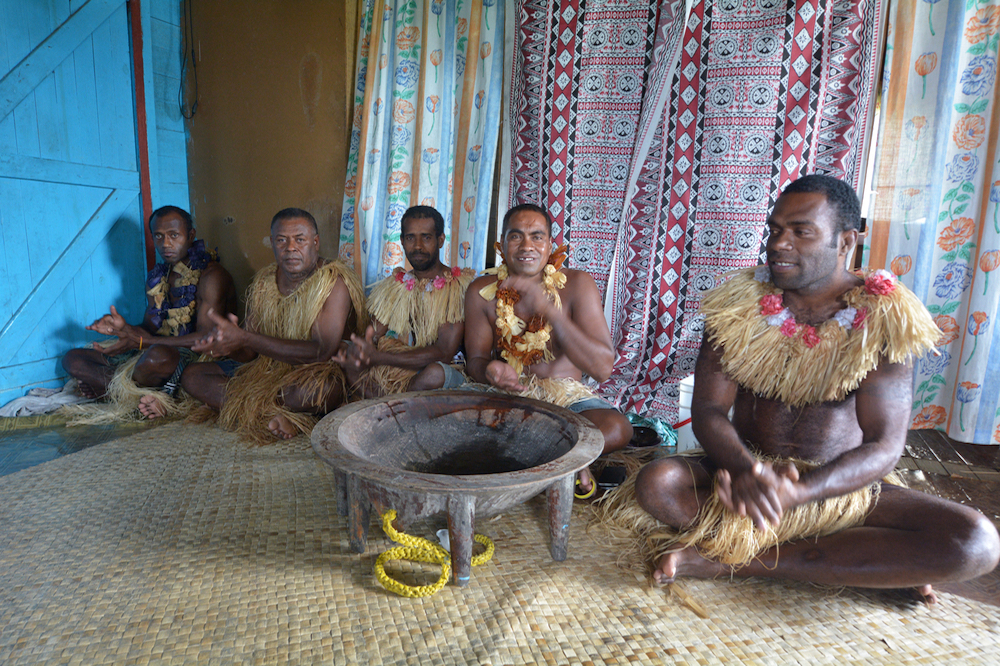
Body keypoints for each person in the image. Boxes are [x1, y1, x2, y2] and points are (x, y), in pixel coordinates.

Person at [613, 174, 1000, 604]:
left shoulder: (883, 319)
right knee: (658, 483)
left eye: (801, 232)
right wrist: (747, 471)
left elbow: (884, 446)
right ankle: (861, 562)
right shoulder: (736, 306)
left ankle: (727, 561)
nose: (779, 243)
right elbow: (707, 408)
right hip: (748, 476)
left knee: (976, 542)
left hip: (840, 488)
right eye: (776, 229)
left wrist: (802, 493)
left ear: (846, 241)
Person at [464, 203, 633, 495]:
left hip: (568, 401)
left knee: (618, 428)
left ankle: (545, 454)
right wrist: (490, 371)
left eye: (537, 236)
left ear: (550, 244)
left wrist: (550, 311)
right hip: (510, 398)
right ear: (501, 245)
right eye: (516, 236)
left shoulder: (577, 284)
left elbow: (602, 368)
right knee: (458, 423)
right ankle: (568, 456)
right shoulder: (481, 290)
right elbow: (476, 362)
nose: (526, 246)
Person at [181, 208, 366, 443]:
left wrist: (245, 338)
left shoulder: (333, 281)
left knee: (321, 390)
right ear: (272, 244)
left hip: (314, 373)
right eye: (281, 240)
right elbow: (248, 354)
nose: (290, 248)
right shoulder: (264, 282)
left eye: (300, 239)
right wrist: (229, 345)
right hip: (266, 372)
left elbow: (321, 351)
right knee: (193, 376)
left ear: (315, 242)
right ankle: (278, 415)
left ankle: (261, 411)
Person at [61, 205, 236, 420]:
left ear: (191, 235)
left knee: (158, 357)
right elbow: (148, 329)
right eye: (159, 236)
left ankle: (112, 390)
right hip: (152, 353)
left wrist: (144, 342)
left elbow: (205, 338)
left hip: (193, 359)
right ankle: (138, 396)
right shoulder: (159, 276)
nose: (166, 244)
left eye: (174, 235)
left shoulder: (212, 276)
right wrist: (124, 329)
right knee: (73, 359)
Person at [335, 206, 476, 396]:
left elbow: (443, 352)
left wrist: (380, 357)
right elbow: (372, 334)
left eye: (426, 237)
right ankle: (390, 405)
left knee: (434, 374)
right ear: (402, 241)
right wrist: (359, 350)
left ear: (440, 240)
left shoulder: (456, 287)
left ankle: (388, 406)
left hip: (446, 374)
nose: (417, 246)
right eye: (410, 238)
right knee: (346, 353)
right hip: (399, 371)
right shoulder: (396, 285)